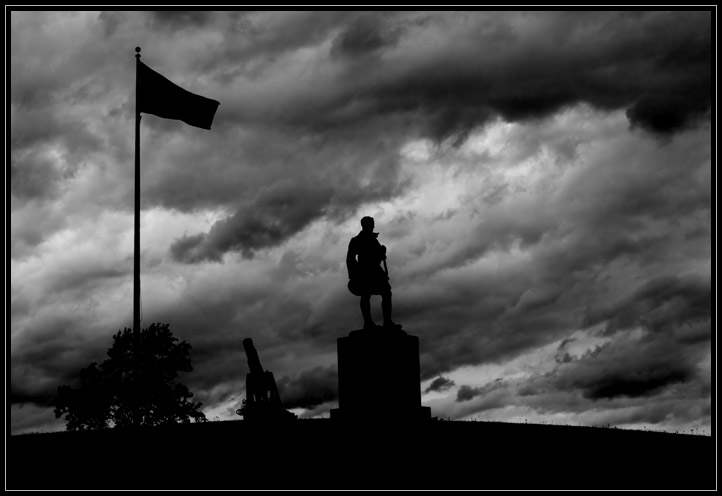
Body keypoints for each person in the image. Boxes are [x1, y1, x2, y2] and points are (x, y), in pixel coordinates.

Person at [346, 216, 401, 330]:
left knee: (386, 292)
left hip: (376, 270)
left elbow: (378, 256)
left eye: (373, 224)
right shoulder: (356, 240)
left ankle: (387, 322)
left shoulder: (374, 239)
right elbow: (350, 258)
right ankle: (368, 322)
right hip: (364, 271)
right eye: (371, 224)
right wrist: (355, 274)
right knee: (366, 295)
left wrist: (381, 252)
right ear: (365, 225)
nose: (373, 226)